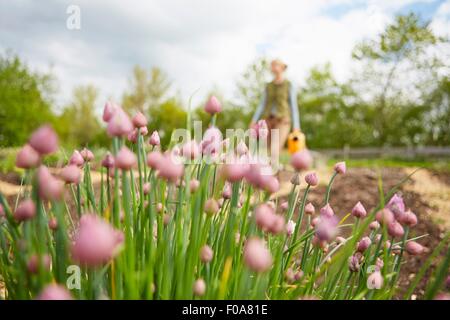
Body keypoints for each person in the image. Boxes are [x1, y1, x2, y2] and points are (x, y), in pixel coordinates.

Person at [251, 59, 301, 154]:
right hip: (267, 121)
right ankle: (268, 168)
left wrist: (296, 126)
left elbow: (293, 106)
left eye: (276, 65)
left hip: (283, 120)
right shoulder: (268, 86)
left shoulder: (289, 85)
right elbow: (261, 104)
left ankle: (273, 167)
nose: (273, 67)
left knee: (275, 149)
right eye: (272, 65)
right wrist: (254, 121)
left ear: (282, 68)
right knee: (266, 150)